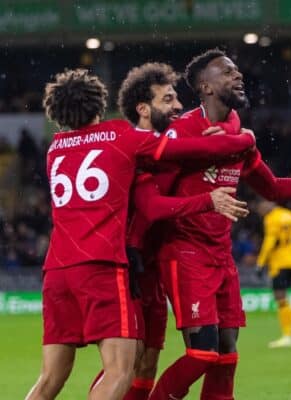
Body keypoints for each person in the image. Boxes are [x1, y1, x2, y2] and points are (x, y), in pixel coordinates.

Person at [149, 48, 291, 400]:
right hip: (185, 253)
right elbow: (154, 205)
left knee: (227, 356)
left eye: (237, 70)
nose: (237, 76)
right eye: (226, 73)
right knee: (202, 353)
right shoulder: (184, 132)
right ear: (206, 87)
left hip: (221, 257)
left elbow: (271, 187)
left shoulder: (239, 133)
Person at [25, 69, 256, 400]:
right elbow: (185, 152)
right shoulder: (121, 135)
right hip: (102, 265)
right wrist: (245, 138)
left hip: (57, 271)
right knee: (121, 370)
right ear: (98, 104)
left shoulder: (55, 150)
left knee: (50, 378)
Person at [255, 200, 291, 349]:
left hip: (279, 262)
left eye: (261, 210)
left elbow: (270, 241)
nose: (261, 213)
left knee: (279, 296)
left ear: (267, 206)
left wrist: (260, 263)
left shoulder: (271, 219)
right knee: (283, 296)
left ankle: (289, 334)